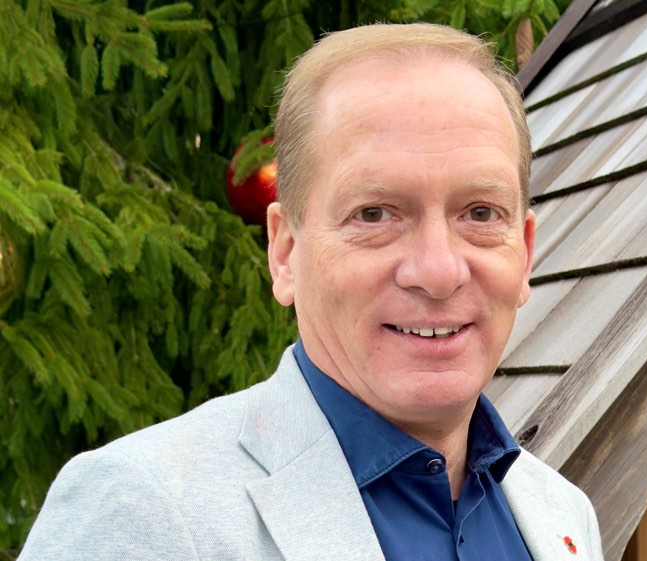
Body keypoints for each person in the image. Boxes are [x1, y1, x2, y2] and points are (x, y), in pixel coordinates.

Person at [19, 23, 604, 561]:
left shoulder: (563, 515)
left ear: (524, 252)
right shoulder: (141, 511)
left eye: (480, 212)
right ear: (285, 252)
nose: (438, 270)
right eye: (374, 213)